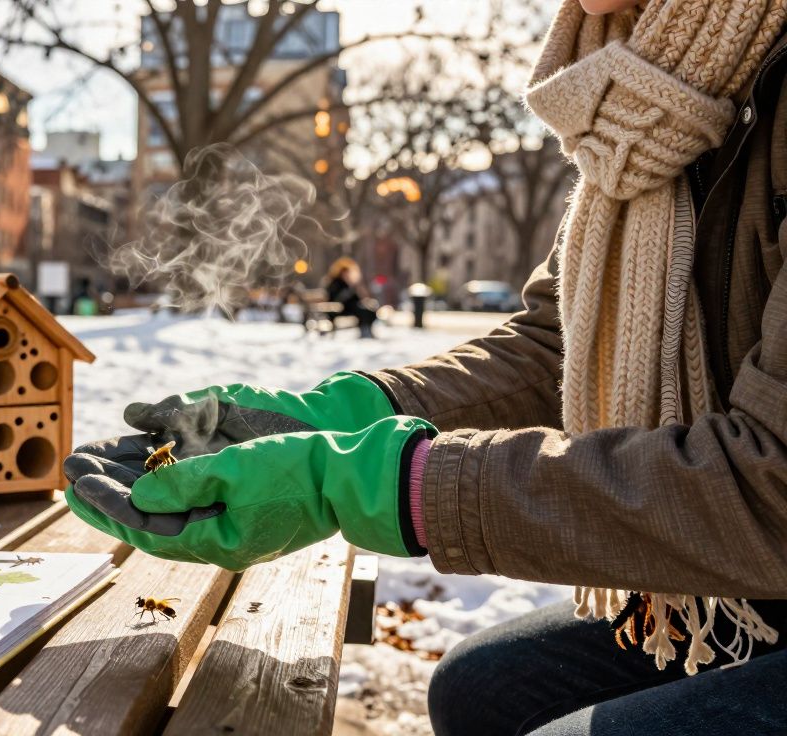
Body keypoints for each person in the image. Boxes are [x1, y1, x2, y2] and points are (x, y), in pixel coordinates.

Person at [62, 1, 787, 733]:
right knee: (479, 689)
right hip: (743, 594)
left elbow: (773, 484)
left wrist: (376, 483)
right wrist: (337, 418)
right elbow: (555, 346)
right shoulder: (642, 98)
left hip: (765, 565)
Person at [324, 257, 378, 338]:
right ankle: (364, 330)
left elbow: (357, 297)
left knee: (370, 310)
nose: (347, 274)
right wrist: (350, 292)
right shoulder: (335, 283)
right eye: (345, 272)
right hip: (340, 308)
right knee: (363, 311)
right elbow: (337, 298)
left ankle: (366, 329)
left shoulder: (348, 283)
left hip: (350, 307)